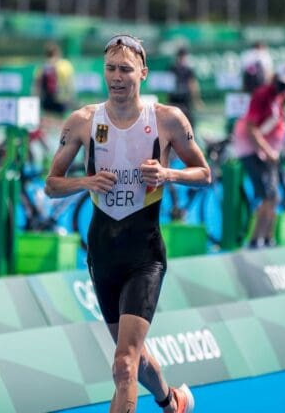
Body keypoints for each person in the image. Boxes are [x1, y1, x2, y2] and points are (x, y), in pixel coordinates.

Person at [45, 35, 209, 413]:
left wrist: (167, 173)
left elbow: (205, 173)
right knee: (134, 360)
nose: (117, 77)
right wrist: (86, 182)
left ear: (144, 74)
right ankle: (171, 401)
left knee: (123, 365)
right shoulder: (83, 121)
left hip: (145, 254)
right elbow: (52, 186)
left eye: (126, 70)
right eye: (111, 69)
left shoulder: (167, 119)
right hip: (102, 254)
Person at [232, 62, 285, 249]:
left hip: (269, 153)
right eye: (282, 83)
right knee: (269, 196)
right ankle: (255, 239)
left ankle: (268, 237)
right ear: (275, 78)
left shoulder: (282, 96)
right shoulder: (262, 95)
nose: (284, 88)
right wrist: (266, 151)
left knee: (275, 196)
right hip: (251, 150)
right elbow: (251, 129)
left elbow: (276, 122)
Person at [34, 42, 75, 116]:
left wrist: (36, 98)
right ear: (58, 53)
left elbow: (37, 85)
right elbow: (70, 83)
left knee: (48, 121)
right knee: (62, 123)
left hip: (47, 99)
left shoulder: (42, 66)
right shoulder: (65, 65)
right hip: (62, 99)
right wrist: (71, 97)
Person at [167, 47, 204, 129]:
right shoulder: (172, 69)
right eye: (181, 56)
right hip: (174, 99)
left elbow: (193, 85)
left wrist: (197, 100)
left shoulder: (189, 70)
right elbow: (168, 85)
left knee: (188, 121)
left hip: (186, 100)